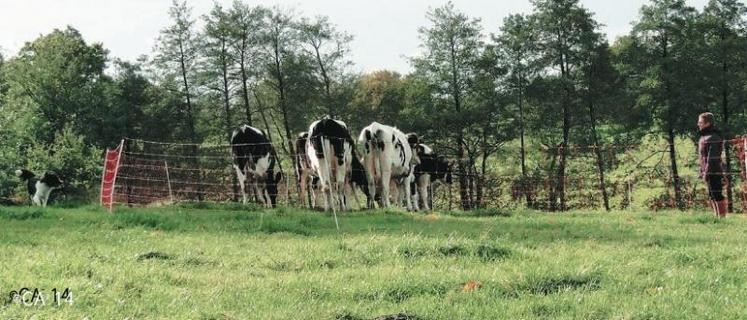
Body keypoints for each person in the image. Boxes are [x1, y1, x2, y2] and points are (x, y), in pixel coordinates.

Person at [697, 112, 727, 218]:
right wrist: (702, 170)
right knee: (711, 194)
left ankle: (722, 217)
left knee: (717, 194)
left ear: (708, 123)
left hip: (714, 170)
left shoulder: (713, 137)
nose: (698, 124)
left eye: (700, 122)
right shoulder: (705, 137)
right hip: (707, 170)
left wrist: (707, 172)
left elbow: (712, 158)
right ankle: (716, 216)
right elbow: (702, 157)